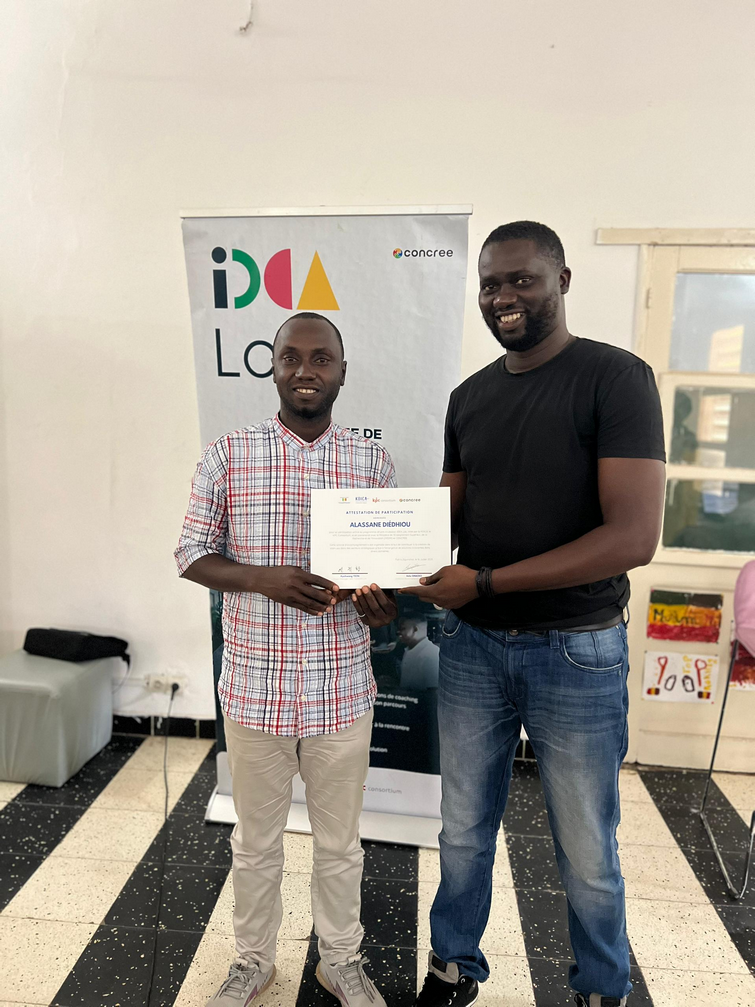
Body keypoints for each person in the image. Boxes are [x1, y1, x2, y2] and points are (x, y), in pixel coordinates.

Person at [403, 222, 666, 1007]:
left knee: (585, 845)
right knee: (460, 829)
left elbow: (632, 537)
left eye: (521, 279)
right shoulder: (469, 397)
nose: (503, 297)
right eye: (490, 283)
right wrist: (373, 568)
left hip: (576, 649)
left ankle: (601, 986)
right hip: (471, 649)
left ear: (562, 280)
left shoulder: (615, 379)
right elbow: (444, 520)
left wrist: (484, 582)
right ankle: (453, 964)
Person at [175, 312, 398, 1007]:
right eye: (291, 357)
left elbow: (386, 570)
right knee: (254, 843)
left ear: (342, 371)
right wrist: (261, 578)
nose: (306, 370)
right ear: (271, 367)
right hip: (255, 690)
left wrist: (381, 603)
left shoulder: (371, 461)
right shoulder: (228, 453)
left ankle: (340, 961)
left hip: (340, 691)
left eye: (321, 358)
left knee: (341, 846)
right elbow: (190, 553)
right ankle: (252, 962)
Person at [397, 611, 440, 690]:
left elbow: (434, 692)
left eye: (402, 628)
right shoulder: (409, 650)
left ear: (415, 629)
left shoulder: (432, 654)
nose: (398, 632)